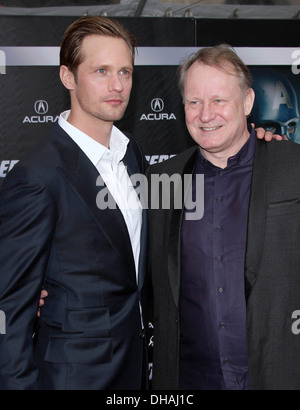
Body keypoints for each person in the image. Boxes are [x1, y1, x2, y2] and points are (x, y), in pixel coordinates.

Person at [0, 16, 148, 390]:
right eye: (101, 71)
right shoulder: (37, 177)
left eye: (125, 72)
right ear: (68, 77)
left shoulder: (133, 156)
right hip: (74, 377)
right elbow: (9, 312)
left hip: (136, 371)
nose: (117, 86)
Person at [147, 44, 300, 390]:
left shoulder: (292, 166)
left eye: (219, 101)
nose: (205, 114)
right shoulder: (163, 180)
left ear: (246, 103)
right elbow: (135, 269)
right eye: (194, 102)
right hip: (190, 380)